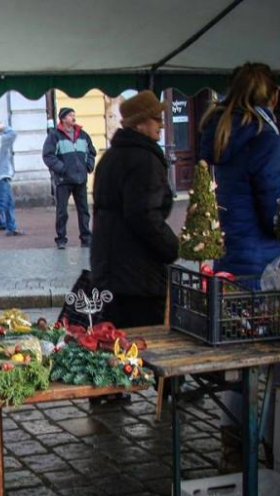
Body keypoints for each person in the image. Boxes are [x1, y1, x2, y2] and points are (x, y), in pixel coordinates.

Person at [199, 62, 280, 472]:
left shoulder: (220, 132)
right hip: (265, 266)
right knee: (275, 363)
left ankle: (234, 450)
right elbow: (277, 213)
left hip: (230, 262)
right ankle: (270, 451)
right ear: (272, 96)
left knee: (243, 366)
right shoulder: (267, 141)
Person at [91, 90, 178, 327]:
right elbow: (144, 215)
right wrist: (171, 246)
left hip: (112, 270)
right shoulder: (143, 160)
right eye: (156, 119)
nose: (161, 124)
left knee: (117, 345)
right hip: (137, 277)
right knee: (143, 347)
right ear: (140, 124)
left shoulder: (111, 157)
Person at [42, 107, 96, 249]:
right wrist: (61, 168)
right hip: (63, 180)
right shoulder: (54, 136)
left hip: (80, 179)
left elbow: (91, 152)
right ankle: (61, 239)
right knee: (62, 211)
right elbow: (48, 155)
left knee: (84, 210)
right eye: (71, 115)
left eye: (74, 114)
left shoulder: (83, 135)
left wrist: (89, 166)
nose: (74, 117)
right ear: (63, 118)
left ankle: (86, 237)